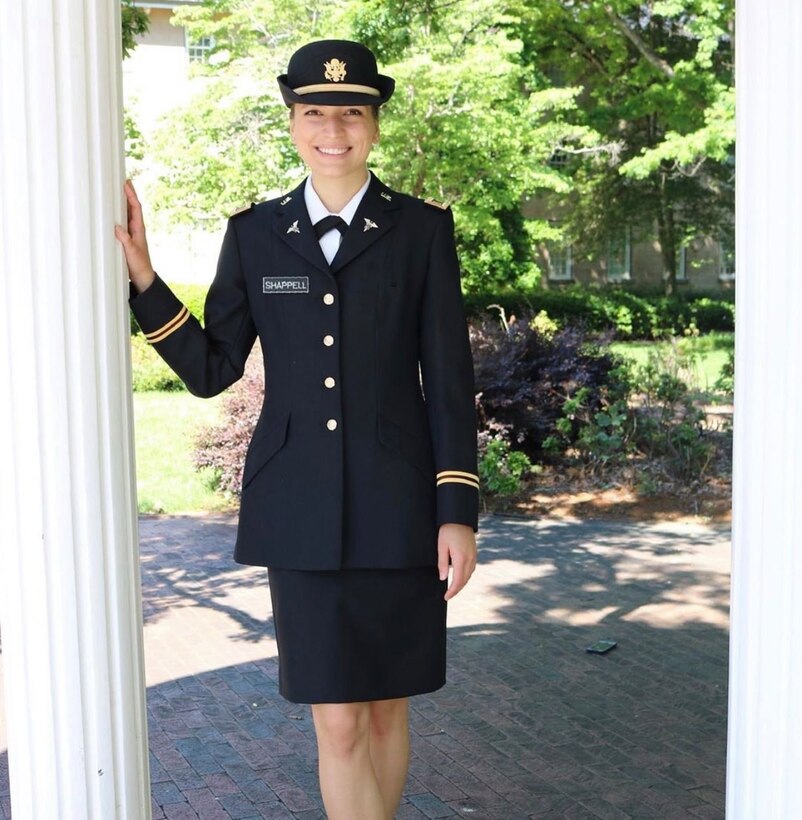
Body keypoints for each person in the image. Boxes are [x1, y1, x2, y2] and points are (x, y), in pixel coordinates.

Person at [116, 39, 479, 820]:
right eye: (316, 112)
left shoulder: (421, 232)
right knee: (339, 719)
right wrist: (145, 281)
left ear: (375, 123)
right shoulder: (255, 234)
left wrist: (457, 512)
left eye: (352, 112)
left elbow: (450, 380)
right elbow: (214, 367)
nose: (334, 129)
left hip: (401, 509)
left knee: (388, 708)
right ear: (292, 123)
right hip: (299, 512)